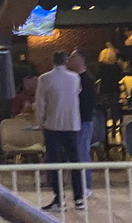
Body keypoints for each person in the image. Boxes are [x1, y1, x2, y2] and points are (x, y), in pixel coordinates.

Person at [35, 50, 84, 211]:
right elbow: (76, 94)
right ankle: (79, 197)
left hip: (53, 125)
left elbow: (41, 103)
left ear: (52, 61)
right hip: (72, 124)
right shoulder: (75, 78)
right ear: (66, 61)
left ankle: (59, 198)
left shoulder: (45, 78)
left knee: (54, 162)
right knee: (75, 161)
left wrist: (40, 122)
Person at [68, 47, 97, 197]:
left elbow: (89, 103)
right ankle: (81, 184)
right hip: (76, 121)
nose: (70, 59)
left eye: (74, 56)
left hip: (83, 121)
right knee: (78, 153)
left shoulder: (87, 80)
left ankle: (86, 185)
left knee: (82, 152)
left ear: (81, 59)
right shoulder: (75, 78)